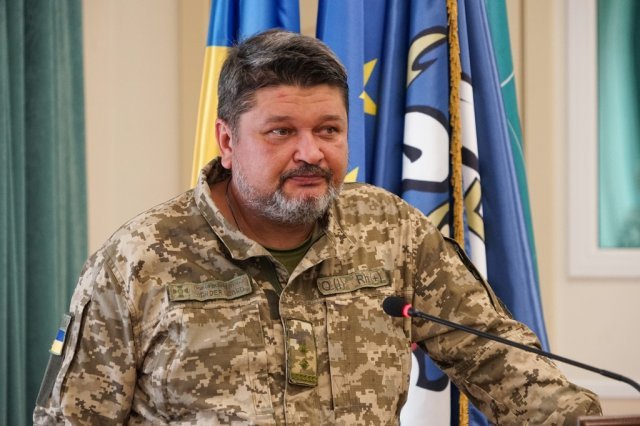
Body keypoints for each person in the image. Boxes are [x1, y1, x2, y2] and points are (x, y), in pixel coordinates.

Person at [34, 29, 601, 425]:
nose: (311, 153)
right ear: (227, 141)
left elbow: (500, 360)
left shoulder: (392, 232)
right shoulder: (141, 257)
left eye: (328, 130)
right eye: (281, 132)